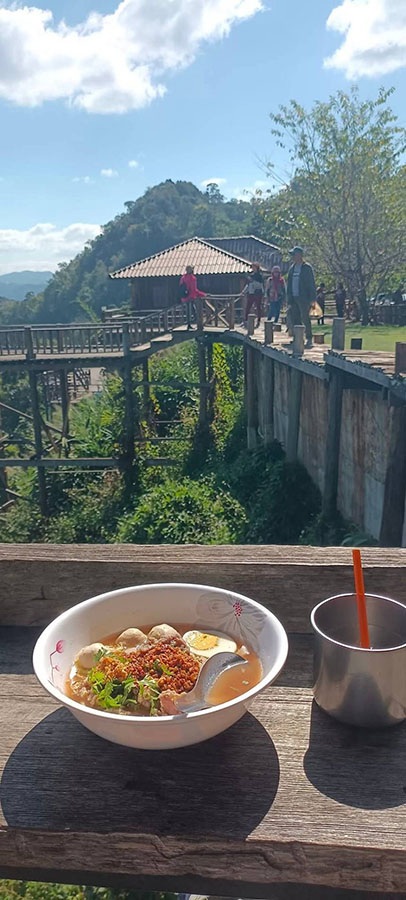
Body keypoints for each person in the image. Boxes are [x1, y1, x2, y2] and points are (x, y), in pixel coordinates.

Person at [286, 246, 317, 348]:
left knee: (305, 317)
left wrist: (312, 299)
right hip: (293, 297)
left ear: (299, 255)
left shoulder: (307, 268)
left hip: (304, 298)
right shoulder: (292, 268)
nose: (293, 257)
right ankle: (298, 338)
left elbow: (311, 284)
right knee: (295, 318)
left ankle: (309, 338)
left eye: (294, 254)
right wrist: (289, 299)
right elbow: (289, 284)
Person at [243, 263, 264, 328]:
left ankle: (258, 320)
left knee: (258, 307)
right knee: (248, 306)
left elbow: (260, 285)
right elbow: (248, 285)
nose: (253, 268)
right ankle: (245, 320)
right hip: (251, 293)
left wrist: (253, 281)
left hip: (258, 293)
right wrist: (244, 291)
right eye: (252, 267)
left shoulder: (259, 276)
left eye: (254, 267)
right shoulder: (251, 275)